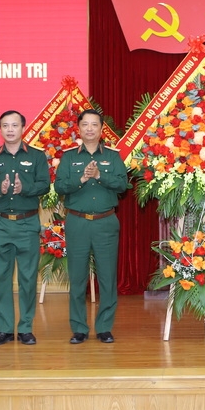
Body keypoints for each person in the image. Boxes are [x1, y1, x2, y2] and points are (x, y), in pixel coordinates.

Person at [0, 110, 50, 346]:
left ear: (23, 128)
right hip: (0, 225)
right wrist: (0, 188)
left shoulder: (37, 156)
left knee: (28, 279)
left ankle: (26, 328)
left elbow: (44, 185)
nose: (10, 129)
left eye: (14, 125)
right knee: (2, 279)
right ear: (0, 129)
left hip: (28, 224)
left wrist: (23, 188)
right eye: (5, 126)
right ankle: (4, 330)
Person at [54, 109, 127, 344]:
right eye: (85, 125)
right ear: (79, 128)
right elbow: (60, 187)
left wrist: (100, 175)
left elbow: (122, 185)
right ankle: (79, 329)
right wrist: (82, 179)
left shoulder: (113, 157)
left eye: (94, 125)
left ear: (101, 128)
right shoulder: (68, 157)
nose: (89, 129)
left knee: (107, 277)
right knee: (77, 278)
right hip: (77, 222)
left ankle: (104, 327)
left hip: (105, 222)